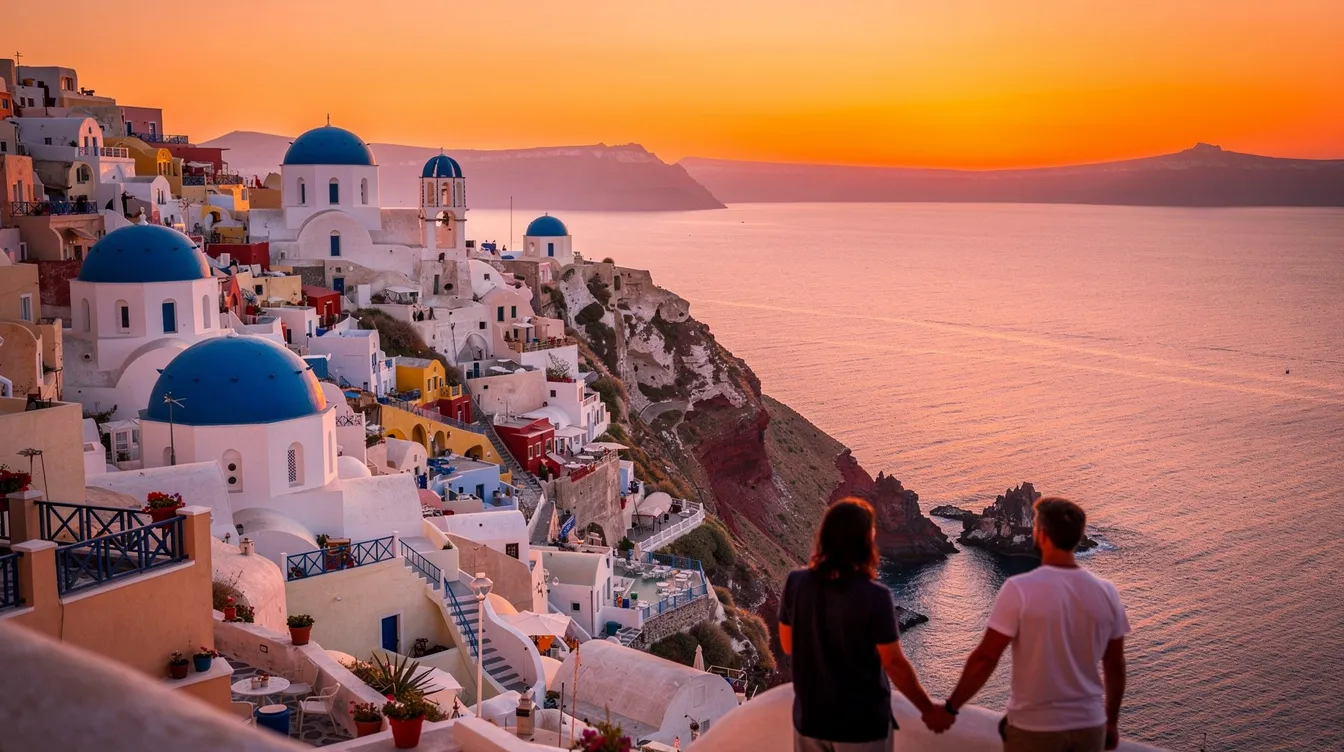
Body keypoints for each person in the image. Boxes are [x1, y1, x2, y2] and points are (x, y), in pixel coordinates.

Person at [943, 497, 1129, 751]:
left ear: (1041, 535)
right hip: (1089, 727)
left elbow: (985, 658)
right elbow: (1115, 666)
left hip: (1035, 727)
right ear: (1078, 536)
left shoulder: (1019, 589)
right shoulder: (1107, 592)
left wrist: (952, 707)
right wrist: (1111, 723)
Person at [780, 497, 953, 752]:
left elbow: (787, 644)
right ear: (864, 541)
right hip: (861, 722)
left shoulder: (796, 582)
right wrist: (928, 709)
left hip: (811, 719)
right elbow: (894, 663)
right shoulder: (876, 596)